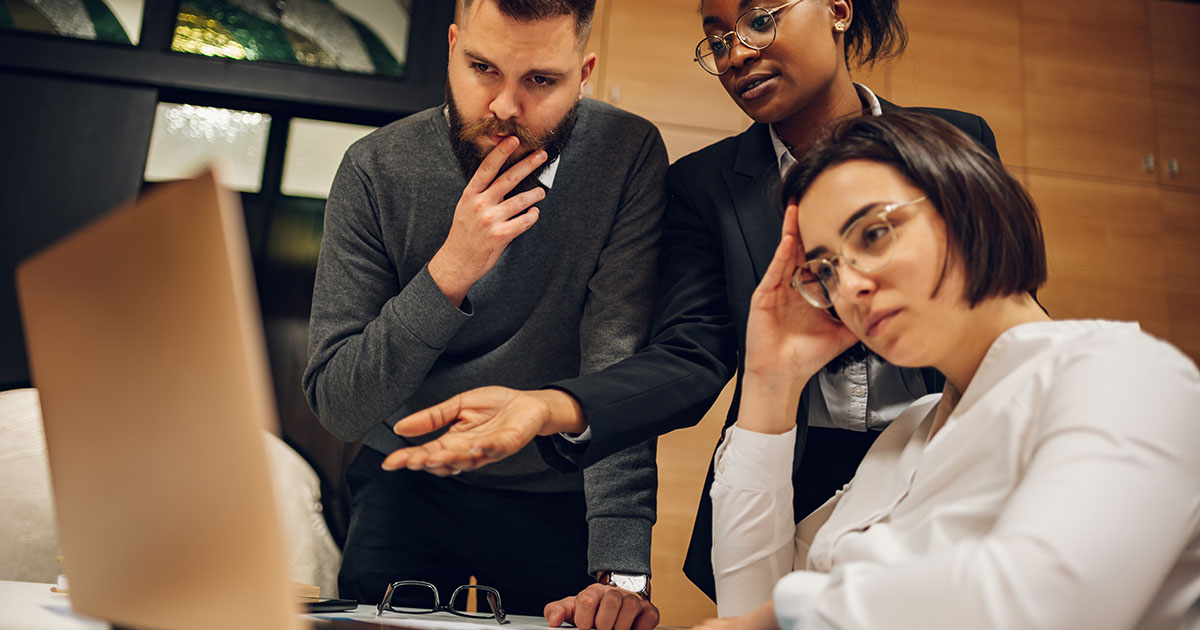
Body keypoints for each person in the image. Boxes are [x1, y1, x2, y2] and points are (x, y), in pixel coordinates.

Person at [383, 0, 999, 599]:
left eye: (760, 21)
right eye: (720, 36)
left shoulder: (954, 139)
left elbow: (999, 310)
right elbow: (689, 356)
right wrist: (553, 406)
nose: (737, 55)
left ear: (838, 8)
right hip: (790, 473)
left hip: (946, 446)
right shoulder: (704, 185)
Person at [696, 111, 1200, 630]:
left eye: (872, 235)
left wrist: (786, 614)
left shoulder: (1124, 373)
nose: (848, 288)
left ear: (967, 202)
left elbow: (1045, 599)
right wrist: (768, 383)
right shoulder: (908, 432)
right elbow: (746, 602)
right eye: (825, 270)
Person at [301, 1, 664, 627]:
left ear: (585, 73)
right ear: (451, 47)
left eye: (541, 81)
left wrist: (622, 569)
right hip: (404, 480)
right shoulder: (375, 167)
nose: (504, 107)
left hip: (559, 491)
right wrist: (451, 270)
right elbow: (339, 406)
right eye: (482, 68)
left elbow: (617, 366)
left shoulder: (626, 154)